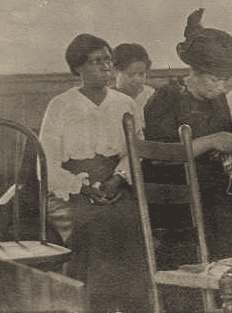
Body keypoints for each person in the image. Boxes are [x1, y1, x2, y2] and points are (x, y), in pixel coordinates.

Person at [39, 33, 151, 312]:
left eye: (109, 61)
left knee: (131, 220)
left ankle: (130, 307)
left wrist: (117, 178)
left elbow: (132, 151)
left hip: (115, 184)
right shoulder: (61, 105)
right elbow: (47, 163)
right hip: (68, 190)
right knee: (91, 225)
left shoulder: (125, 104)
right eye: (96, 62)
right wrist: (82, 186)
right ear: (78, 67)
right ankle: (88, 306)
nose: (106, 68)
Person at [143, 8, 232, 264]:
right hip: (171, 189)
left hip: (209, 183)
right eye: (214, 80)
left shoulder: (217, 99)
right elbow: (159, 158)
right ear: (194, 73)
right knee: (225, 215)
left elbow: (225, 141)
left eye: (225, 81)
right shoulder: (165, 99)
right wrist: (210, 141)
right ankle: (218, 283)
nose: (221, 88)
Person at [112, 43, 155, 131]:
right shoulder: (108, 97)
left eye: (141, 74)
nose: (137, 79)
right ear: (115, 71)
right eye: (130, 74)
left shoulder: (151, 96)